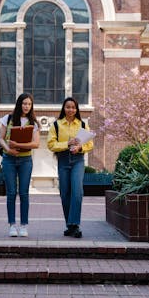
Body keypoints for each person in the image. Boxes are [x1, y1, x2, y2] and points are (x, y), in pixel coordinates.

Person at [47, 96, 94, 238]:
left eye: (73, 107)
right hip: (63, 160)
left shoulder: (82, 124)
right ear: (64, 108)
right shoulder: (56, 125)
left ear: (76, 109)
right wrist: (67, 144)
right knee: (65, 193)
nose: (71, 110)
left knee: (77, 191)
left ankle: (75, 225)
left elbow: (90, 143)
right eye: (68, 107)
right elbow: (51, 144)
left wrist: (80, 148)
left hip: (78, 160)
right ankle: (70, 225)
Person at [0, 93, 40, 237]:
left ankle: (23, 226)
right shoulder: (8, 118)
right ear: (19, 104)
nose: (26, 106)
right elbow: (1, 138)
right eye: (24, 103)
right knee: (11, 193)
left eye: (29, 104)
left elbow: (36, 144)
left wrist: (18, 145)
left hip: (25, 161)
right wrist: (9, 149)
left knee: (24, 193)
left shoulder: (33, 123)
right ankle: (12, 225)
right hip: (9, 160)